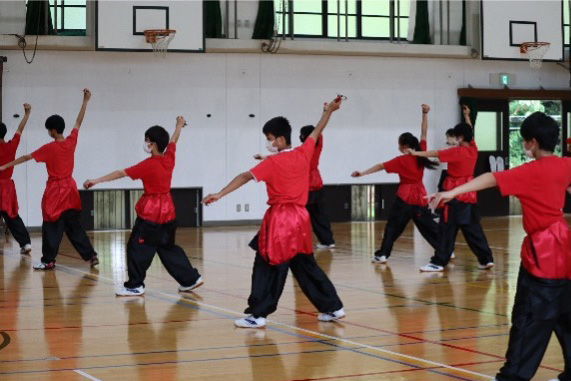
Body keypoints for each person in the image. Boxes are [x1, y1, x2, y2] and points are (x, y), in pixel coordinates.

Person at [428, 111, 571, 381]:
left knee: (528, 317)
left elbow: (491, 179)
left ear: (532, 142)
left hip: (544, 251)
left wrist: (450, 192)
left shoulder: (530, 170)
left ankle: (512, 377)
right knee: (564, 311)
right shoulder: (566, 165)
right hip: (566, 247)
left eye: (525, 141)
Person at [203, 98, 345, 328]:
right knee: (304, 265)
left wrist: (220, 194)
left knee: (269, 264)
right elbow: (318, 130)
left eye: (269, 139)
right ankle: (333, 307)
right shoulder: (304, 152)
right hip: (300, 219)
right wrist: (329, 111)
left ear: (280, 139)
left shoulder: (273, 163)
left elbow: (244, 176)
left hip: (281, 220)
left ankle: (258, 315)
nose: (268, 143)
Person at [83, 117, 203, 296]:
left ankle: (135, 285)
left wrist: (96, 180)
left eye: (147, 140)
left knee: (136, 247)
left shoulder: (148, 165)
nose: (145, 143)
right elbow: (173, 141)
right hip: (168, 210)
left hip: (152, 212)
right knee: (166, 247)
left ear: (153, 144)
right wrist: (178, 126)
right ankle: (191, 279)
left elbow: (121, 173)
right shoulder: (169, 158)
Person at [0, 89, 98, 270]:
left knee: (51, 226)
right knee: (73, 225)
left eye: (48, 130)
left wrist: (6, 166)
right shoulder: (71, 141)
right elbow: (78, 122)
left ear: (52, 131)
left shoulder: (49, 148)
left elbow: (26, 157)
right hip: (71, 189)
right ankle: (91, 255)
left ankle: (48, 260)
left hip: (55, 191)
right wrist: (85, 101)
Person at [408, 105, 494, 272]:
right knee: (472, 229)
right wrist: (467, 115)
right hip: (469, 194)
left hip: (454, 194)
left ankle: (438, 262)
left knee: (446, 228)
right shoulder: (473, 149)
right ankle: (486, 259)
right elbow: (470, 131)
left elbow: (434, 153)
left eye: (456, 136)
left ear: (460, 137)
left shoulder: (457, 152)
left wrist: (415, 154)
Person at [351, 104, 438, 264]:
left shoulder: (401, 160)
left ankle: (383, 254)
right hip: (420, 196)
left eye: (399, 144)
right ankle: (445, 250)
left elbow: (380, 166)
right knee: (428, 227)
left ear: (404, 146)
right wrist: (425, 113)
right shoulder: (421, 152)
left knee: (392, 227)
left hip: (405, 197)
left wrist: (362, 173)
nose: (398, 147)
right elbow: (424, 132)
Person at [0, 103, 32, 254]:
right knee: (12, 217)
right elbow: (19, 130)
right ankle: (25, 243)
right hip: (7, 188)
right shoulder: (11, 146)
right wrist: (26, 114)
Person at [299, 125, 335, 249]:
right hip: (317, 183)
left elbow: (284, 157)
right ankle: (328, 241)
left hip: (306, 185)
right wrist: (325, 112)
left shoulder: (302, 149)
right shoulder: (318, 146)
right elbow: (320, 131)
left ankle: (300, 242)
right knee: (320, 215)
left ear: (304, 136)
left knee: (301, 216)